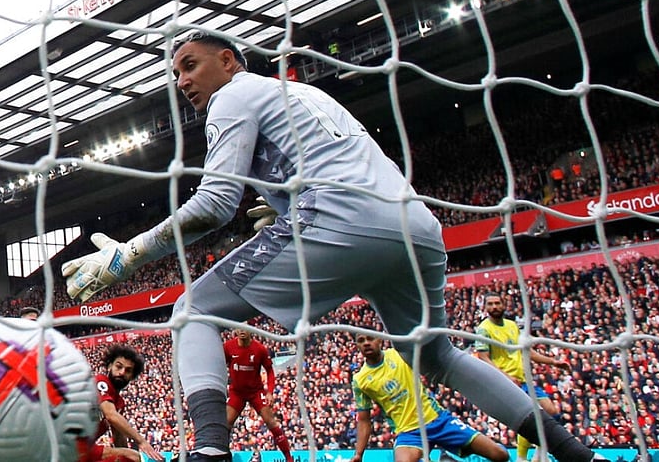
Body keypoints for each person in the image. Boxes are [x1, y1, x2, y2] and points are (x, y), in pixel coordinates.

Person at [61, 31, 599, 462]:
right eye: (174, 73)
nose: (181, 80)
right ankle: (577, 454)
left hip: (339, 224)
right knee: (436, 355)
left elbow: (215, 205)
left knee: (192, 310)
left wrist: (128, 254)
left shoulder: (234, 95)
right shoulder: (309, 94)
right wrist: (284, 201)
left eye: (189, 65)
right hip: (414, 227)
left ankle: (207, 451)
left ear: (228, 61)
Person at [351, 332, 508, 462]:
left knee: (500, 455)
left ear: (380, 339)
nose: (366, 343)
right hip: (409, 432)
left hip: (438, 420)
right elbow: (364, 419)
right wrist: (358, 454)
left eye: (370, 338)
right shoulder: (360, 380)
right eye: (361, 340)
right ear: (357, 346)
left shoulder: (400, 353)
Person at [475, 292, 573, 462]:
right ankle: (522, 457)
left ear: (504, 304)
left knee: (551, 411)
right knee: (531, 417)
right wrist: (505, 377)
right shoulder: (484, 329)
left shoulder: (512, 326)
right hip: (504, 381)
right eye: (490, 304)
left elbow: (526, 351)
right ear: (485, 307)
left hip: (522, 378)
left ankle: (538, 453)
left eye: (497, 303)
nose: (494, 307)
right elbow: (483, 357)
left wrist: (553, 362)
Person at [224, 327, 292, 461]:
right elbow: (220, 365)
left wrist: (270, 392)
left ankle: (289, 458)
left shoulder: (259, 349)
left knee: (271, 422)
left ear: (250, 330)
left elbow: (270, 371)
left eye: (244, 328)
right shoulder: (228, 347)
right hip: (237, 392)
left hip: (256, 392)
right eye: (239, 328)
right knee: (226, 424)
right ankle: (224, 456)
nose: (242, 331)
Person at [95, 344, 164, 462]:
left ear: (132, 376)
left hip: (82, 450)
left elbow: (118, 437)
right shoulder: (101, 381)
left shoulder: (120, 403)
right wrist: (141, 442)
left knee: (129, 457)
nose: (122, 372)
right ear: (110, 366)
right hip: (67, 444)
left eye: (128, 370)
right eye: (118, 366)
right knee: (132, 456)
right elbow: (111, 415)